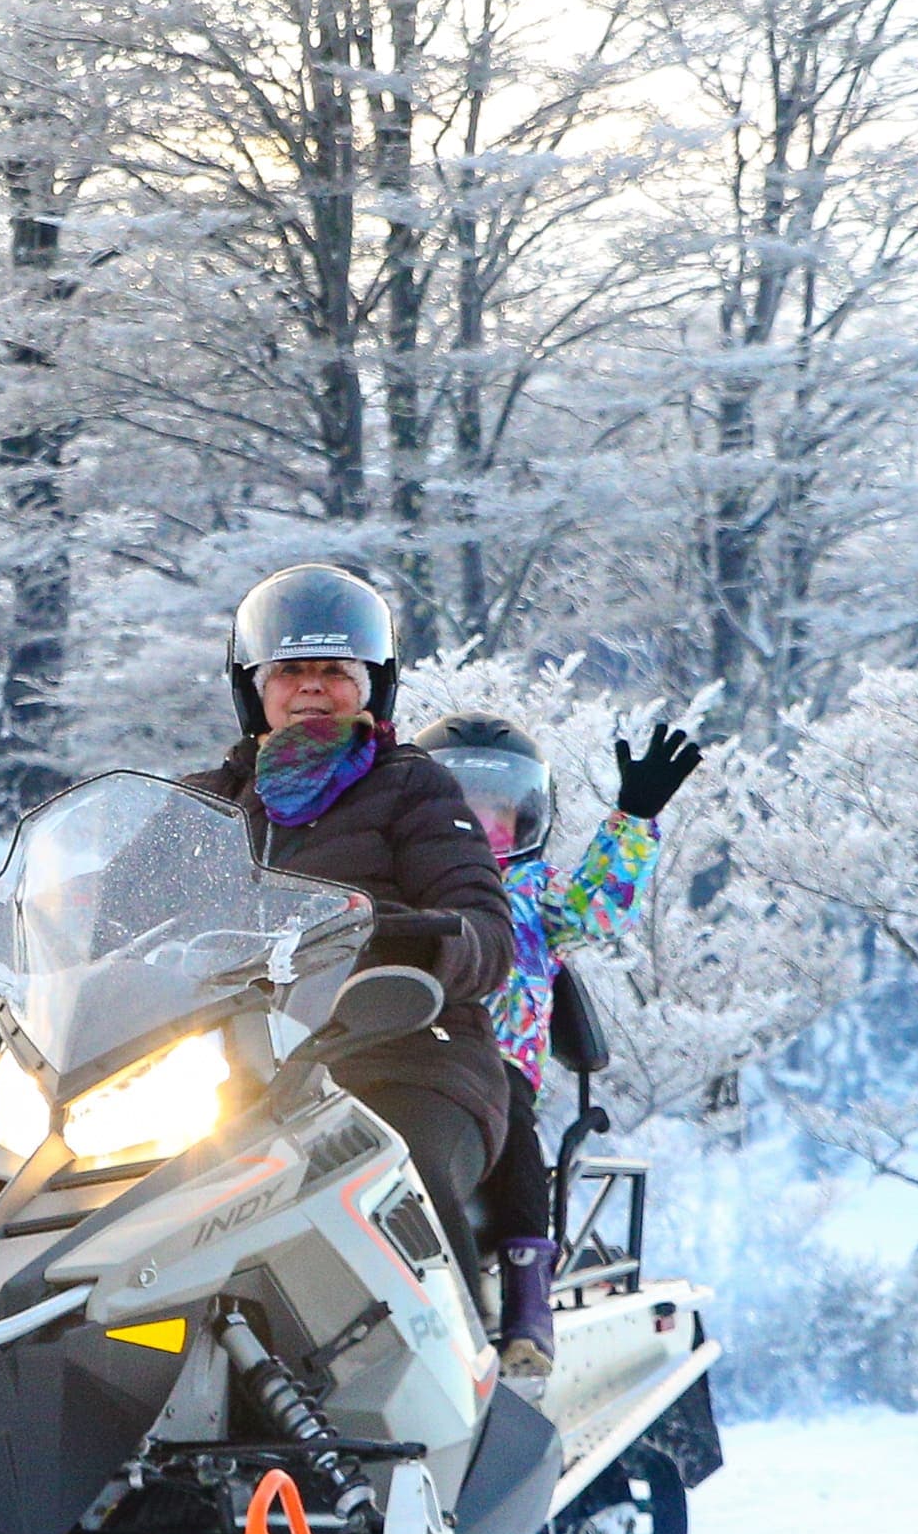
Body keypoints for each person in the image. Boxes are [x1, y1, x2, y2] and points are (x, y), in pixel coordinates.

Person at [181, 565, 519, 1298]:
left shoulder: (413, 787)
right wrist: (41, 915)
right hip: (229, 1071)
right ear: (253, 687)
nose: (310, 687)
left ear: (372, 686)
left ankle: (466, 1381)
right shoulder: (203, 805)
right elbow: (120, 901)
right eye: (290, 670)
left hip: (402, 1055)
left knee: (399, 1170)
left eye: (334, 670)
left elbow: (490, 928)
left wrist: (420, 942)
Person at [415, 712, 704, 1378]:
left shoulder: (534, 896)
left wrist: (633, 818)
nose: (486, 833)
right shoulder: (409, 882)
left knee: (517, 1142)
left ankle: (524, 1310)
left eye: (502, 817)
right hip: (408, 1053)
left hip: (498, 1069)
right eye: (466, 814)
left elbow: (597, 908)